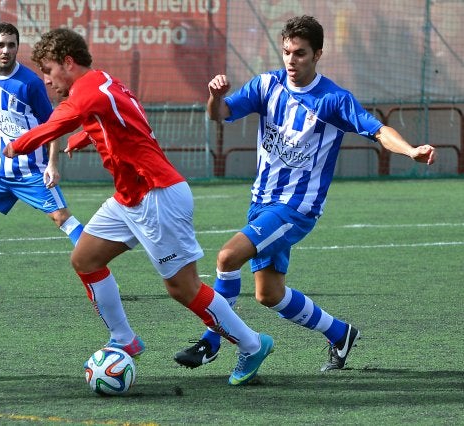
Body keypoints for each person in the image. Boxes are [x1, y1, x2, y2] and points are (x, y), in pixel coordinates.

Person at [2, 28, 272, 386]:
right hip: (131, 196)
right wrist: (87, 134)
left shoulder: (84, 94)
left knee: (183, 288)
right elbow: (126, 115)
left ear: (68, 63)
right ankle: (124, 339)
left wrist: (14, 146)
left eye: (50, 71)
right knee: (85, 259)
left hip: (156, 195)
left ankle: (252, 344)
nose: (49, 81)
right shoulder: (104, 82)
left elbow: (53, 125)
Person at [174, 15, 436, 372]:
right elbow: (220, 114)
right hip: (262, 203)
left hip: (296, 208)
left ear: (317, 55)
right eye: (286, 52)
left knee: (227, 258)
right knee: (269, 294)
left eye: (300, 53)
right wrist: (213, 96)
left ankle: (212, 340)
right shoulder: (267, 85)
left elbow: (378, 131)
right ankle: (341, 333)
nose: (291, 61)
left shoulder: (333, 100)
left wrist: (410, 151)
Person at [0, 22, 84, 300]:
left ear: (17, 48)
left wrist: (52, 164)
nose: (6, 50)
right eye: (0, 44)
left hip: (31, 170)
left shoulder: (31, 83)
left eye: (12, 45)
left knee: (63, 219)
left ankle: (99, 273)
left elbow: (53, 125)